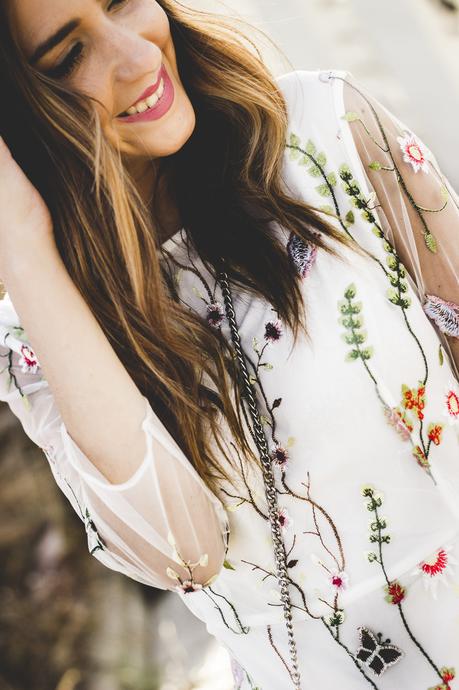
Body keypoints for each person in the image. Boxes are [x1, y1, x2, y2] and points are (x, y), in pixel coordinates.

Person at [1, 1, 458, 688]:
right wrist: (24, 249)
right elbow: (182, 553)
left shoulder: (327, 128)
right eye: (69, 57)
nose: (135, 56)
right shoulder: (36, 333)